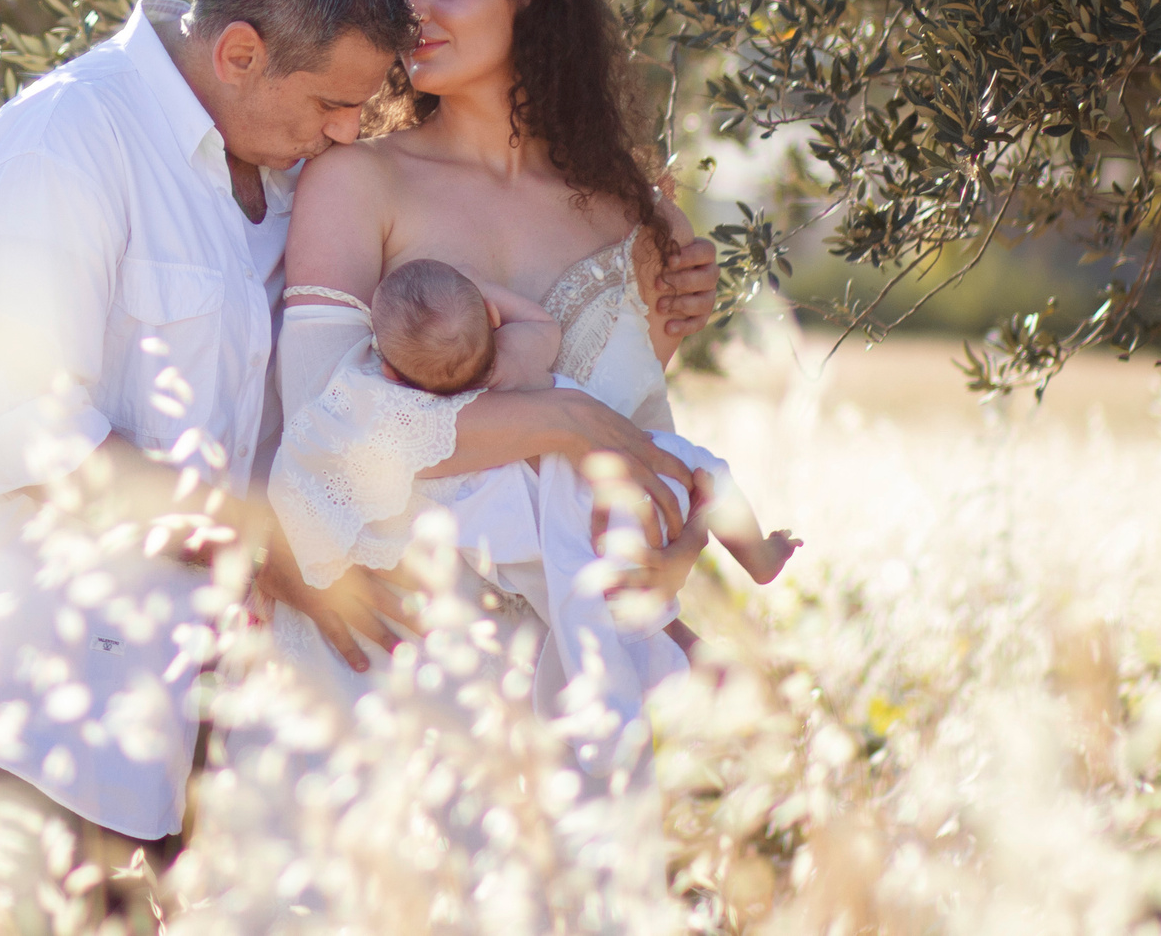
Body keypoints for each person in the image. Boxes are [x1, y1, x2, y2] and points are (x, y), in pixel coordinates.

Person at [0, 0, 412, 902]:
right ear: (239, 51)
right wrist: (266, 548)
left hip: (164, 725)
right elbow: (28, 436)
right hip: (13, 713)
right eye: (329, 102)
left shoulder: (283, 180)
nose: (343, 131)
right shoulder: (62, 144)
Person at [260, 0, 727, 694]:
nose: (413, 13)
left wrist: (680, 568)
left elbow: (642, 452)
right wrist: (560, 415)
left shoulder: (638, 215)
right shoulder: (357, 182)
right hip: (390, 663)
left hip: (577, 683)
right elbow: (324, 438)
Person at [307, 255, 797, 770]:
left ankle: (692, 657)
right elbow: (543, 324)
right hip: (623, 485)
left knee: (614, 611)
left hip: (546, 535)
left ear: (388, 370)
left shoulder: (419, 417)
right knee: (709, 473)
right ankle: (759, 557)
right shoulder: (518, 355)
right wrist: (487, 291)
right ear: (493, 320)